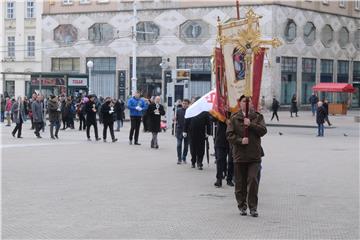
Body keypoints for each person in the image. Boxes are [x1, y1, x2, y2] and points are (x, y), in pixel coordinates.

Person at [226, 95, 267, 217]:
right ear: (240, 103)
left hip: (254, 155)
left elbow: (263, 131)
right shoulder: (234, 118)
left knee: (253, 180)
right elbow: (229, 135)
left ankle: (253, 207)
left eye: (249, 101)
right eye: (244, 101)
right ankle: (242, 205)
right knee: (240, 183)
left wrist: (251, 125)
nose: (247, 103)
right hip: (240, 155)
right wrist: (239, 140)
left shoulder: (258, 117)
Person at [214, 119, 234, 187]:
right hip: (221, 138)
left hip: (232, 139)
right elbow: (212, 118)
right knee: (220, 159)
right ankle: (219, 179)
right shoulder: (219, 111)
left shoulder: (234, 111)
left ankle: (229, 179)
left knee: (231, 160)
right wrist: (224, 120)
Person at [175, 99, 190, 164]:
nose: (184, 105)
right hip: (179, 130)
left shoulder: (190, 111)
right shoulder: (178, 110)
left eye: (185, 103)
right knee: (179, 145)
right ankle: (179, 158)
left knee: (186, 146)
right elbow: (176, 119)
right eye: (183, 103)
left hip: (187, 131)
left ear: (188, 104)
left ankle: (184, 157)